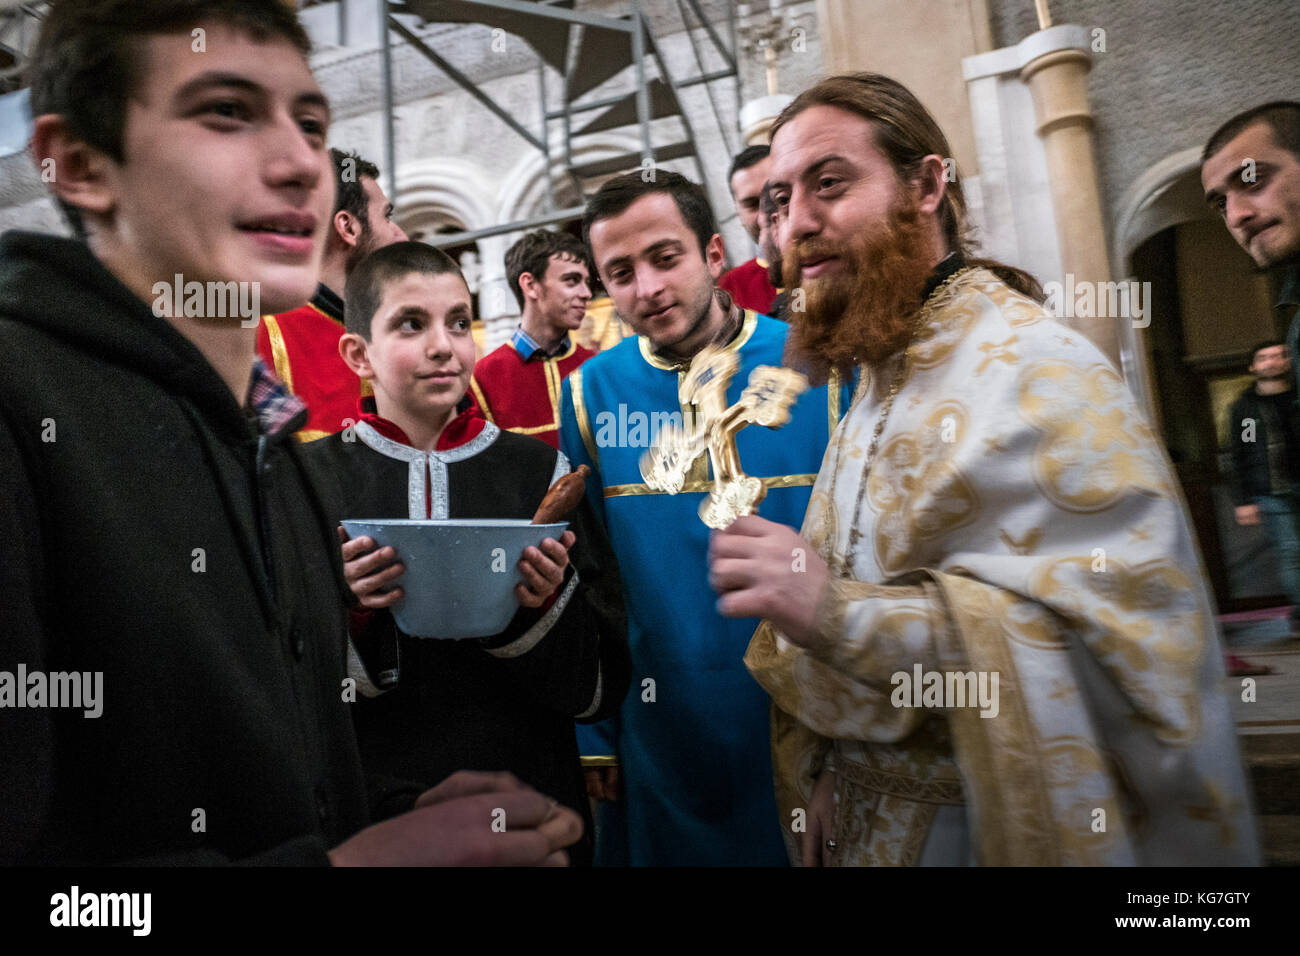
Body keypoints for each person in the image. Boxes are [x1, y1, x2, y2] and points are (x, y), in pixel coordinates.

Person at [0, 0, 582, 866]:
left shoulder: (285, 443)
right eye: (226, 112)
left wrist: (388, 809)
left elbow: (283, 761)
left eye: (311, 123)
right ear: (81, 163)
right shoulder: (21, 406)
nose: (300, 165)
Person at [709, 72, 1258, 866]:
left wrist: (836, 612)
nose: (798, 223)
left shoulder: (1041, 370)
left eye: (830, 184)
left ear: (928, 184)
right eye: (778, 200)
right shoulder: (876, 380)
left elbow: (1127, 651)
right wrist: (834, 762)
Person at [559, 169, 855, 865]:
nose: (648, 288)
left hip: (807, 720)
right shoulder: (589, 396)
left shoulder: (820, 366)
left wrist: (854, 746)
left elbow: (865, 558)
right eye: (620, 272)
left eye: (666, 258)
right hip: (663, 730)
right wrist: (594, 737)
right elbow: (587, 581)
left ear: (714, 256)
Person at [302, 241, 629, 866]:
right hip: (378, 803)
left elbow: (602, 685)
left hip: (530, 780)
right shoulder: (310, 483)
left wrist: (542, 608)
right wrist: (346, 608)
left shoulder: (541, 471)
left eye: (458, 321)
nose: (442, 345)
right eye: (410, 324)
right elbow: (279, 681)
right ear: (357, 354)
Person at [257, 148, 408, 441]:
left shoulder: (399, 337)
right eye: (387, 217)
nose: (400, 235)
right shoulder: (265, 338)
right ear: (348, 227)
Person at [469, 229, 595, 448]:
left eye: (586, 281)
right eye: (572, 280)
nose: (586, 293)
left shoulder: (595, 369)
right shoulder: (482, 380)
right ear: (530, 285)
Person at [1226, 340, 1300, 654]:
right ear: (1253, 366)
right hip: (1272, 492)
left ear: (1288, 361)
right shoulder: (1245, 409)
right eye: (1264, 358)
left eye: (1279, 356)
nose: (1272, 362)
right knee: (1291, 554)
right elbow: (1240, 454)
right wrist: (1243, 499)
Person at [719, 144, 780, 314]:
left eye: (776, 196)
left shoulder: (838, 260)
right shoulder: (731, 289)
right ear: (738, 212)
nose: (765, 215)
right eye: (752, 204)